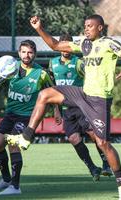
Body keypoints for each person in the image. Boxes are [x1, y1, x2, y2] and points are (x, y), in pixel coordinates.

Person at [6, 14, 121, 200]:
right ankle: (26, 137)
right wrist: (39, 28)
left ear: (100, 28)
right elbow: (55, 45)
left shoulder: (109, 43)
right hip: (82, 94)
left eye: (90, 26)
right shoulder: (84, 43)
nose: (86, 28)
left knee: (103, 144)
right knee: (45, 94)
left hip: (99, 100)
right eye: (85, 25)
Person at [0, 40, 58, 195]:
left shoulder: (41, 74)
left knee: (12, 143)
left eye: (30, 52)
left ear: (34, 54)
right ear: (19, 53)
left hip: (27, 117)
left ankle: (15, 187)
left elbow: (54, 91)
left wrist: (57, 110)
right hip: (10, 114)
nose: (26, 55)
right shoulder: (12, 67)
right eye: (23, 52)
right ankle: (6, 179)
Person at [48, 33, 112, 179]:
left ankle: (106, 163)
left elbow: (91, 77)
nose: (65, 49)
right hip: (66, 109)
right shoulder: (53, 63)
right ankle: (92, 167)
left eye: (67, 45)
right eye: (62, 44)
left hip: (81, 106)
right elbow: (54, 88)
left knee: (93, 134)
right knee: (73, 139)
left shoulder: (79, 62)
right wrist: (56, 110)